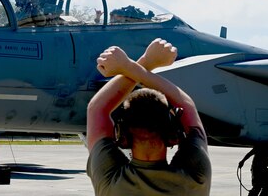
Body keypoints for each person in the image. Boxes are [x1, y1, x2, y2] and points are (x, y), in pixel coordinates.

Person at [86, 38, 211, 196]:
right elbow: (187, 106)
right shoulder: (196, 177)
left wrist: (143, 63)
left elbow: (96, 109)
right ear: (173, 134)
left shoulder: (110, 180)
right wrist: (131, 66)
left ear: (122, 136)